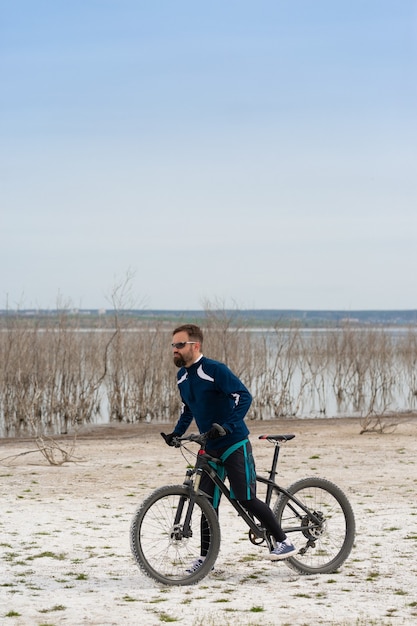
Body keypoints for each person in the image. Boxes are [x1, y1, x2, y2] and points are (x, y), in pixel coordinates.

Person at [162, 323, 297, 573]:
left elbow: (243, 396)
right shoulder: (182, 377)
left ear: (195, 346)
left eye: (180, 345)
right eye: (173, 345)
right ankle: (206, 559)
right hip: (208, 447)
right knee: (206, 506)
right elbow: (188, 408)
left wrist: (226, 425)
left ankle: (284, 541)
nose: (175, 350)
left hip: (233, 442)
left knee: (245, 497)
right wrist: (176, 434)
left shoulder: (214, 370)